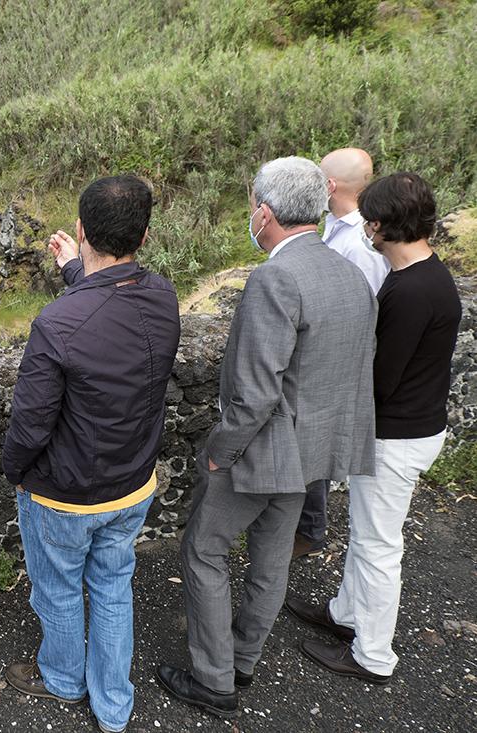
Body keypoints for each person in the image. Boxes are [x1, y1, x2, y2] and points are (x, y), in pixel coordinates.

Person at [157, 157, 377, 719]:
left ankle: (213, 679)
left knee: (203, 549)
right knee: (272, 557)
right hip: (314, 451)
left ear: (264, 212)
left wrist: (218, 454)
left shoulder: (276, 277)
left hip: (262, 452)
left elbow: (255, 392)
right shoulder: (353, 270)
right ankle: (245, 657)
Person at [0, 175, 181, 733]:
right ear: (145, 236)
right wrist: (73, 270)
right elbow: (113, 302)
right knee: (111, 585)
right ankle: (113, 706)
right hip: (133, 484)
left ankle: (62, 677)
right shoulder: (163, 296)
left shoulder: (56, 324)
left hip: (66, 493)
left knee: (56, 589)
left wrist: (15, 472)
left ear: (81, 230)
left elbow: (30, 423)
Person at [287, 173, 461, 683]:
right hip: (414, 426)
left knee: (377, 545)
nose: (364, 229)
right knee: (367, 536)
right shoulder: (426, 275)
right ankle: (345, 615)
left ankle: (374, 655)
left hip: (397, 436)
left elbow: (380, 378)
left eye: (368, 221)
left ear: (382, 225)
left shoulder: (409, 292)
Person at [293, 148, 392, 559]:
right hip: (320, 350)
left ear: (329, 186)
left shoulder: (362, 244)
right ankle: (302, 524)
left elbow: (363, 308)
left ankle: (310, 528)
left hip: (335, 356)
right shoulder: (334, 226)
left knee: (316, 442)